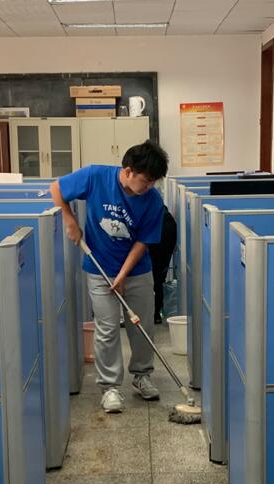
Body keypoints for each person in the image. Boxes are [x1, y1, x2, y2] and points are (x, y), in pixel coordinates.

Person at [50, 140, 169, 414]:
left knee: (142, 326)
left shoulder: (153, 200)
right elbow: (57, 188)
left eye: (154, 181)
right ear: (128, 171)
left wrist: (124, 274)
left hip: (137, 271)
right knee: (107, 328)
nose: (149, 186)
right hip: (99, 267)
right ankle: (110, 387)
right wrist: (69, 219)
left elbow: (143, 242)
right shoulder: (95, 176)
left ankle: (142, 375)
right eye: (146, 180)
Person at [147, 207, 178, 324]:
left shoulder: (152, 216)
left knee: (151, 283)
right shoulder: (168, 218)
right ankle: (156, 314)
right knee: (159, 282)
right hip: (163, 257)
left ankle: (152, 314)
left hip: (152, 255)